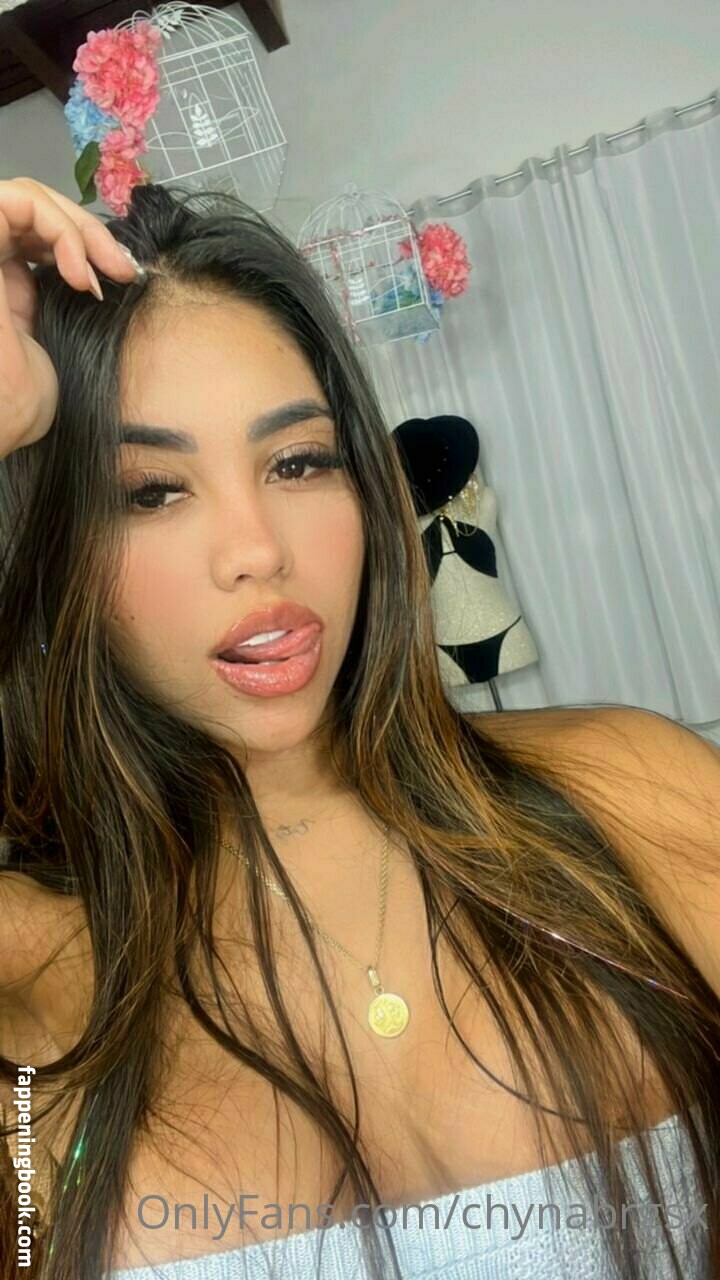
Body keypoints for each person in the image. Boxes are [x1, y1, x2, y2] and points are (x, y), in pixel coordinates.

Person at [0, 175, 717, 1280]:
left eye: (298, 462)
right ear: (50, 548)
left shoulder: (635, 790)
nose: (258, 549)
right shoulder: (27, 965)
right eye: (150, 491)